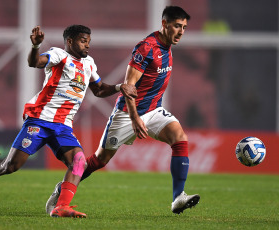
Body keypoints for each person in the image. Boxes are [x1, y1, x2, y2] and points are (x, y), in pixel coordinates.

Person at [0, 25, 137, 218]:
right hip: (40, 120)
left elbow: (99, 89)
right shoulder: (59, 55)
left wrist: (119, 87)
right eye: (83, 41)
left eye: (89, 42)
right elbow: (35, 62)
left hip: (63, 126)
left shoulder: (89, 63)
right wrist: (35, 47)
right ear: (70, 41)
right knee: (9, 166)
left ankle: (62, 206)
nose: (87, 46)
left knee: (78, 162)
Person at [46, 6, 200, 215]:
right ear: (164, 24)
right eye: (177, 26)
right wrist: (135, 118)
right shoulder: (146, 48)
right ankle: (62, 188)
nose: (181, 31)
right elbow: (129, 85)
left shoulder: (167, 46)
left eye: (184, 27)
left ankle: (178, 197)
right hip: (128, 113)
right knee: (100, 160)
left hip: (154, 110)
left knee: (180, 138)